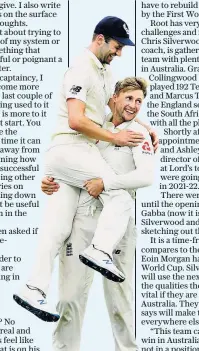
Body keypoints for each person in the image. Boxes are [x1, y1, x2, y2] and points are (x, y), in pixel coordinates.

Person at [13, 16, 158, 323]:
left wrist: (143, 124)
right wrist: (117, 137)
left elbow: (111, 109)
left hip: (70, 159)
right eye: (117, 47)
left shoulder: (104, 72)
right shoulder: (81, 68)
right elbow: (76, 120)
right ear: (100, 39)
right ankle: (100, 250)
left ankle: (33, 288)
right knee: (118, 196)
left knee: (57, 228)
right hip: (72, 148)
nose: (119, 53)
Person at [35, 77, 155, 351]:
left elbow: (146, 176)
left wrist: (108, 184)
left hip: (118, 227)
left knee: (120, 299)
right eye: (128, 98)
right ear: (113, 97)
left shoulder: (139, 133)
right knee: (70, 297)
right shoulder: (91, 125)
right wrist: (49, 183)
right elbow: (67, 163)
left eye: (139, 102)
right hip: (83, 222)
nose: (133, 106)